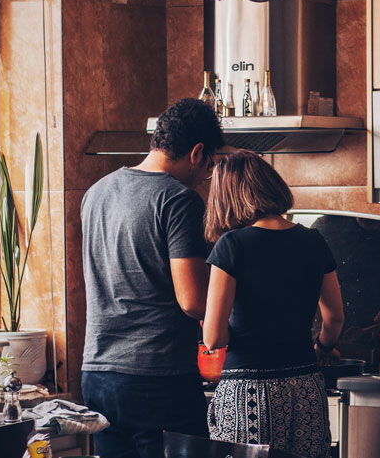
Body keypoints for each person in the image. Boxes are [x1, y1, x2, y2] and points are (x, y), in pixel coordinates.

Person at [80, 98, 224, 458]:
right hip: (156, 379)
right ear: (197, 152)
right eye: (207, 169)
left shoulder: (96, 193)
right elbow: (193, 302)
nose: (203, 178)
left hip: (97, 374)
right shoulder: (178, 200)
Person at [202, 150, 345, 458]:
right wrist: (323, 346)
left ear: (227, 197)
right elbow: (334, 317)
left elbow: (213, 337)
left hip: (248, 391)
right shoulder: (313, 240)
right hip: (306, 385)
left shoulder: (232, 245)